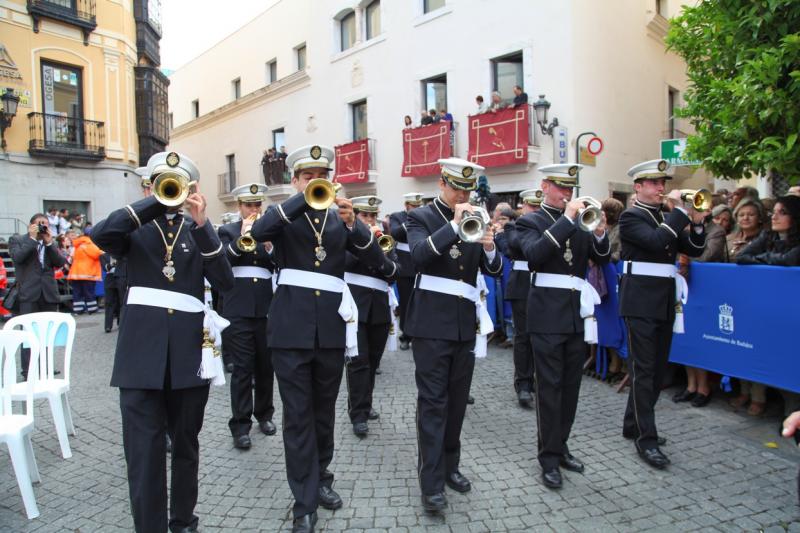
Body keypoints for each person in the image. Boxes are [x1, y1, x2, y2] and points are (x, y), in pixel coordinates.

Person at [91, 151, 234, 533]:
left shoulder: (199, 232)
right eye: (161, 182)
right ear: (146, 187)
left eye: (177, 184)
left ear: (192, 189)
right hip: (140, 360)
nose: (171, 192)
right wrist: (155, 201)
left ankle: (184, 520)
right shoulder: (133, 229)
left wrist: (204, 226)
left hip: (188, 358)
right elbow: (99, 235)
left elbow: (225, 283)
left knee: (186, 446)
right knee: (143, 454)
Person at [249, 145, 389, 533]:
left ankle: (321, 477)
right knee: (297, 417)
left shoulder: (339, 220)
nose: (315, 181)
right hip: (290, 331)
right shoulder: (285, 217)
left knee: (323, 413)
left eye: (321, 175)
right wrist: (299, 200)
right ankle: (304, 501)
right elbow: (260, 232)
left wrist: (354, 223)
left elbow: (378, 261)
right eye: (307, 176)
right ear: (295, 180)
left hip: (329, 332)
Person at [404, 157, 502, 512]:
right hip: (430, 324)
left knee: (457, 403)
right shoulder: (421, 217)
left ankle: (450, 467)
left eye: (467, 189)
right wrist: (454, 227)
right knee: (433, 404)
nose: (462, 195)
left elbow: (493, 270)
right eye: (456, 188)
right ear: (441, 184)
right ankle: (430, 483)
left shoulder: (480, 218)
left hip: (463, 324)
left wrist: (490, 245)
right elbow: (417, 257)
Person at [515, 165, 610, 488]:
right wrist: (568, 220)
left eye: (570, 187)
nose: (566, 193)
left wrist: (599, 232)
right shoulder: (530, 221)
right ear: (545, 186)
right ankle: (548, 457)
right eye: (560, 187)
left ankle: (561, 444)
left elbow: (601, 257)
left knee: (571, 388)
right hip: (545, 315)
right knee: (550, 388)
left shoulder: (580, 221)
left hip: (574, 314)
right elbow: (534, 255)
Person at [618, 159, 706, 470]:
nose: (661, 188)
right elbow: (656, 241)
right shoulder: (631, 217)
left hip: (664, 301)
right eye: (654, 183)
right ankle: (647, 438)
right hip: (639, 302)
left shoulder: (667, 217)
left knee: (655, 369)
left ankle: (633, 424)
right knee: (643, 370)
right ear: (638, 187)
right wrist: (680, 212)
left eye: (662, 183)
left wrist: (696, 222)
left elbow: (693, 249)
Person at [217, 183, 277, 450]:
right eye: (248, 205)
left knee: (266, 366)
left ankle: (264, 415)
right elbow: (222, 264)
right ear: (239, 206)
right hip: (238, 308)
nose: (254, 209)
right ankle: (240, 425)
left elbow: (279, 263)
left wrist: (269, 246)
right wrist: (241, 239)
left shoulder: (270, 231)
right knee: (242, 368)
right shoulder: (227, 231)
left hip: (265, 307)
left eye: (257, 205)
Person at [344, 195, 399, 437]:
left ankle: (365, 403)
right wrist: (368, 247)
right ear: (356, 216)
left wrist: (379, 251)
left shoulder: (386, 240)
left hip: (379, 307)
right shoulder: (345, 237)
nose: (369, 220)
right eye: (364, 215)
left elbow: (394, 272)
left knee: (373, 361)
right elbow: (344, 262)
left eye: (372, 216)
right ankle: (357, 414)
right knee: (358, 362)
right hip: (354, 305)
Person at [496, 188, 542, 408]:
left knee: (542, 337)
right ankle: (523, 384)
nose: (535, 210)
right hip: (522, 284)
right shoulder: (513, 226)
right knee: (523, 337)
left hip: (544, 285)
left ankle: (540, 381)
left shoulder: (550, 226)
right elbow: (512, 246)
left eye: (538, 207)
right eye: (531, 206)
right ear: (523, 207)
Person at [8, 213, 67, 379]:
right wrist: (32, 239)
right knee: (28, 333)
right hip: (29, 293)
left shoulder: (48, 243)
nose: (43, 227)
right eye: (40, 224)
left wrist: (49, 243)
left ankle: (46, 366)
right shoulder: (18, 240)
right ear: (31, 225)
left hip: (48, 292)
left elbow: (60, 262)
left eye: (46, 224)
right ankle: (28, 370)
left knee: (47, 333)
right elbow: (18, 257)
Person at [389, 192, 424, 351]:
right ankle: (405, 335)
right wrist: (411, 219)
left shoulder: (425, 216)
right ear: (407, 206)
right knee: (406, 302)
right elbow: (395, 233)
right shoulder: (397, 216)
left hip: (422, 263)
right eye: (413, 206)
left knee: (421, 302)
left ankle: (419, 333)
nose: (416, 208)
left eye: (418, 206)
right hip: (405, 265)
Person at [67, 229, 103, 315]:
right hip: (87, 273)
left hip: (76, 273)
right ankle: (92, 309)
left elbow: (70, 259)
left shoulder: (77, 245)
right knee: (89, 292)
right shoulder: (90, 244)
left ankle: (78, 310)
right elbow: (98, 254)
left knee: (77, 292)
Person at [100, 252, 121, 332]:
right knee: (109, 302)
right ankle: (108, 326)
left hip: (120, 278)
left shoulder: (120, 254)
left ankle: (120, 322)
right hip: (110, 279)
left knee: (121, 301)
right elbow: (105, 268)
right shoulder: (103, 256)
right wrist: (111, 264)